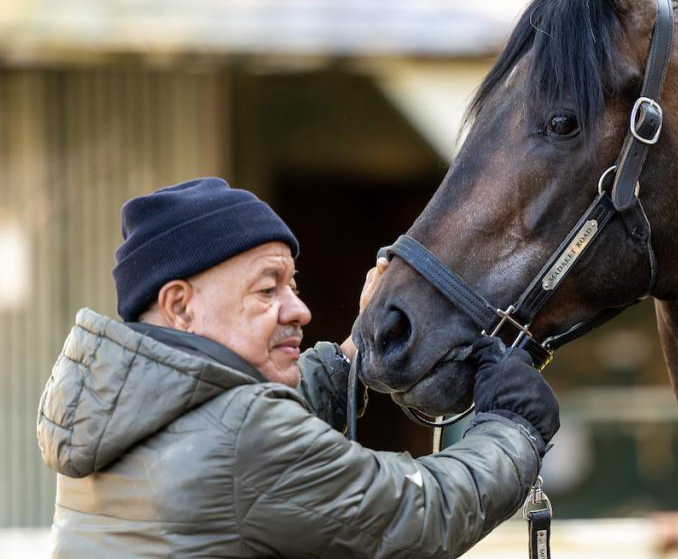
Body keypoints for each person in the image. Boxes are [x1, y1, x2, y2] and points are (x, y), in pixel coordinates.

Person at [36, 177, 559, 558]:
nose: (301, 310)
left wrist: (351, 357)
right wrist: (513, 429)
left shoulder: (116, 407)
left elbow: (227, 419)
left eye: (294, 284)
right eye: (268, 289)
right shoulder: (246, 437)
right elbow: (421, 515)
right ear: (179, 306)